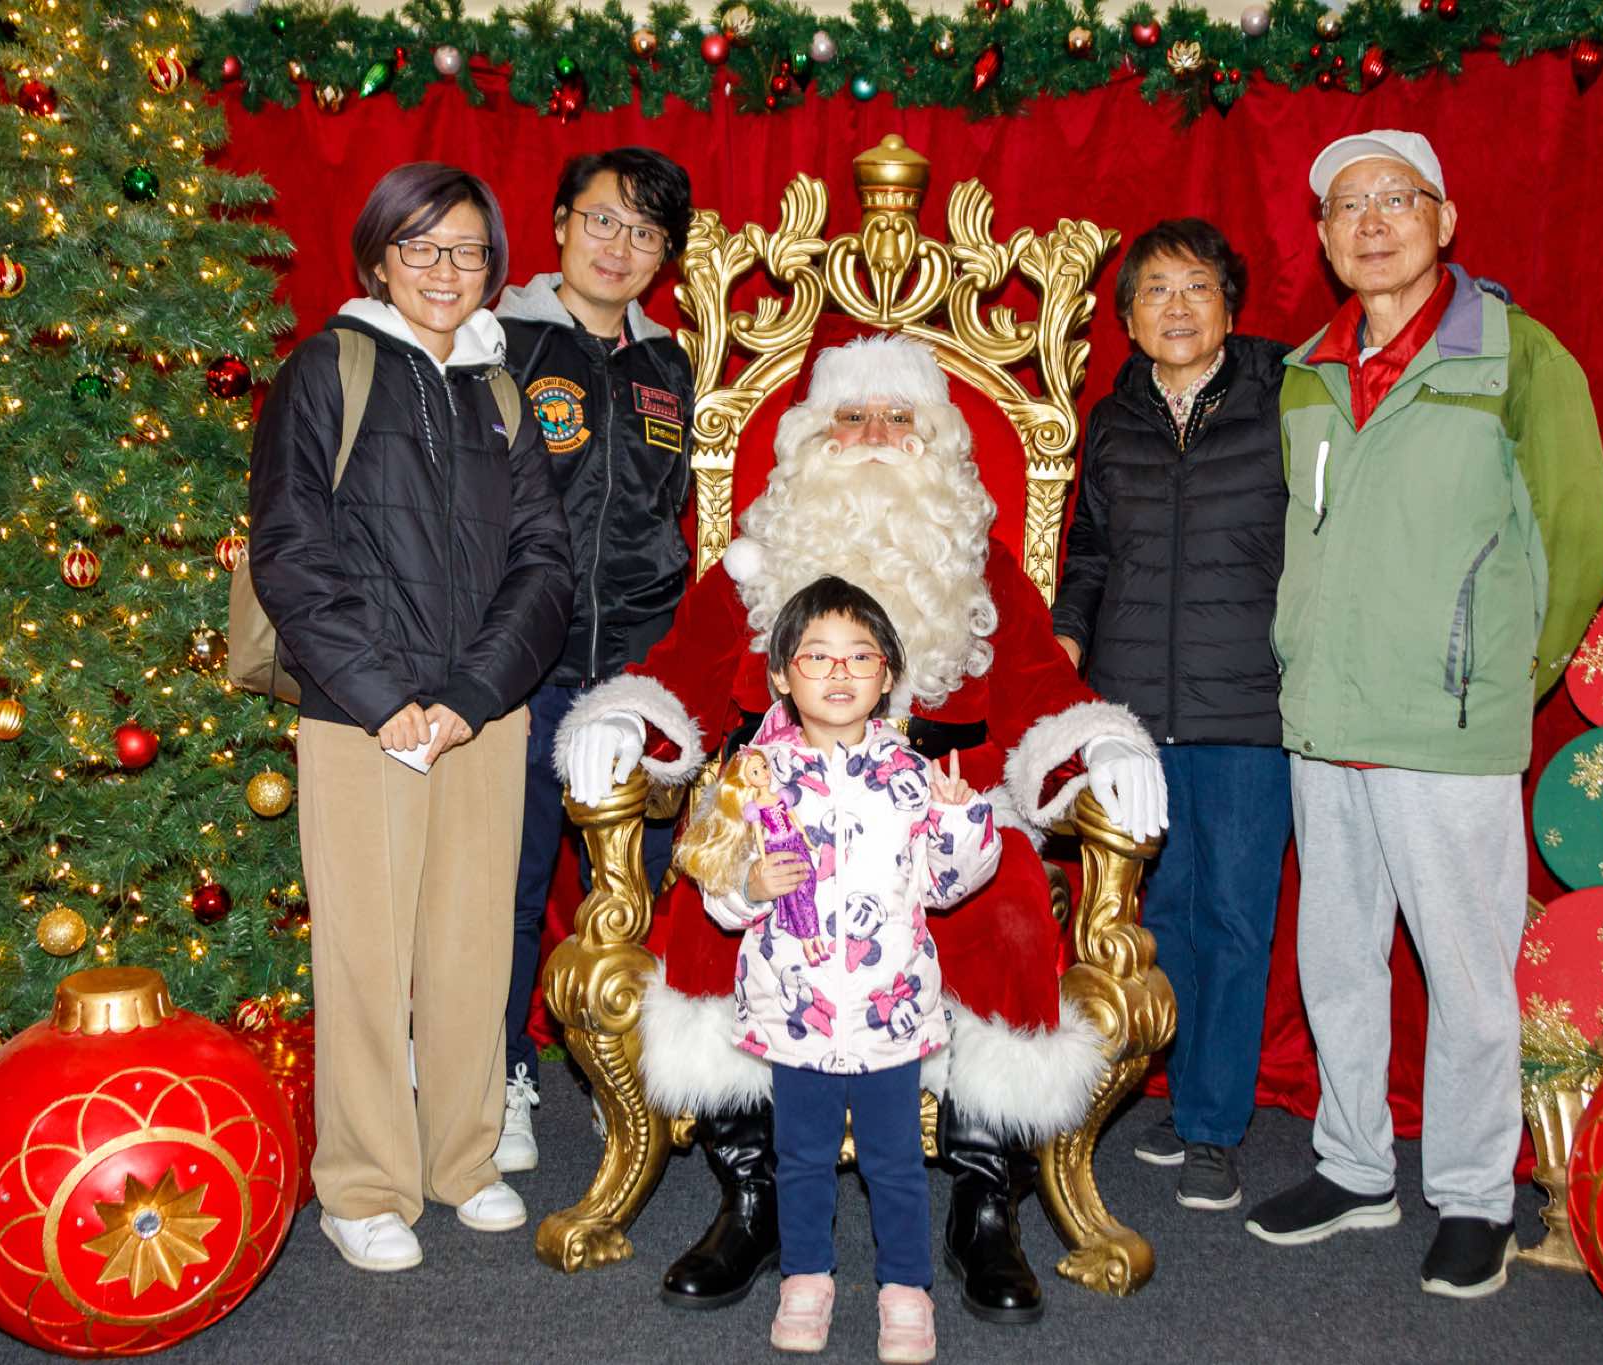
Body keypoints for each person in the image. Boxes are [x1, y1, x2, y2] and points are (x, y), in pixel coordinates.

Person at [558, 333, 1168, 1323]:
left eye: (898, 418)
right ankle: (751, 1194)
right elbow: (677, 670)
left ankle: (984, 1203)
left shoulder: (975, 564)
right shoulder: (757, 563)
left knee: (1012, 906)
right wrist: (625, 722)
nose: (875, 436)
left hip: (944, 810)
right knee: (709, 915)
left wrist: (1100, 744)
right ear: (812, 437)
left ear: (936, 441)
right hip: (783, 804)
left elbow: (1042, 689)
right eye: (851, 417)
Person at [1243, 130, 1603, 1298]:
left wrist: (1498, 676)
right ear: (1321, 237)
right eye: (1344, 206)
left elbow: (1574, 539)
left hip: (1447, 726)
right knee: (1335, 961)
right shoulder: (1305, 371)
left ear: (1442, 219)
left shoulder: (1515, 357)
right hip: (1324, 715)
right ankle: (1353, 1165)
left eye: (1394, 199)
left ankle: (1471, 1194)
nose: (1370, 222)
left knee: (1465, 974)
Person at [247, 162, 573, 1273]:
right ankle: (364, 1184)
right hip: (361, 718)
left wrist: (472, 697)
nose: (445, 270)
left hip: (481, 715)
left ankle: (462, 1159)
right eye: (421, 247)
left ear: (493, 267)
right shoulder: (325, 369)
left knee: (472, 951)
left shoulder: (500, 390)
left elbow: (544, 563)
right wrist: (386, 698)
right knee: (366, 959)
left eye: (468, 250)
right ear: (379, 258)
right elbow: (291, 550)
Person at [674, 575, 1001, 1363]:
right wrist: (751, 885)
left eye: (860, 656)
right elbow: (716, 887)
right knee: (801, 1158)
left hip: (889, 1010)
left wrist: (960, 820)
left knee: (896, 1163)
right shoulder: (755, 778)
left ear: (887, 675)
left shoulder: (911, 776)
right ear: (782, 675)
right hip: (797, 1009)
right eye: (817, 656)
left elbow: (948, 883)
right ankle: (805, 1277)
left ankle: (906, 1288)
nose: (839, 671)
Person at [1050, 219, 1293, 1214]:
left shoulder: (1285, 400)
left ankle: (1213, 1127)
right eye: (1154, 291)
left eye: (1196, 286)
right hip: (1137, 712)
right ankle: (1184, 1092)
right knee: (1163, 914)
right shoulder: (1114, 420)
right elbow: (1090, 551)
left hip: (1248, 707)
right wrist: (1066, 642)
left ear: (1229, 305)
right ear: (1129, 318)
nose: (1177, 306)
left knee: (1236, 918)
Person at [494, 148, 696, 1174]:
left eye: (645, 232)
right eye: (603, 221)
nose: (620, 246)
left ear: (663, 256)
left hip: (638, 674)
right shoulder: (500, 342)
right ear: (562, 224)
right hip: (523, 669)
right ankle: (501, 1075)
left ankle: (635, 1079)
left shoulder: (668, 365)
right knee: (512, 885)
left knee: (637, 887)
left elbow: (670, 507)